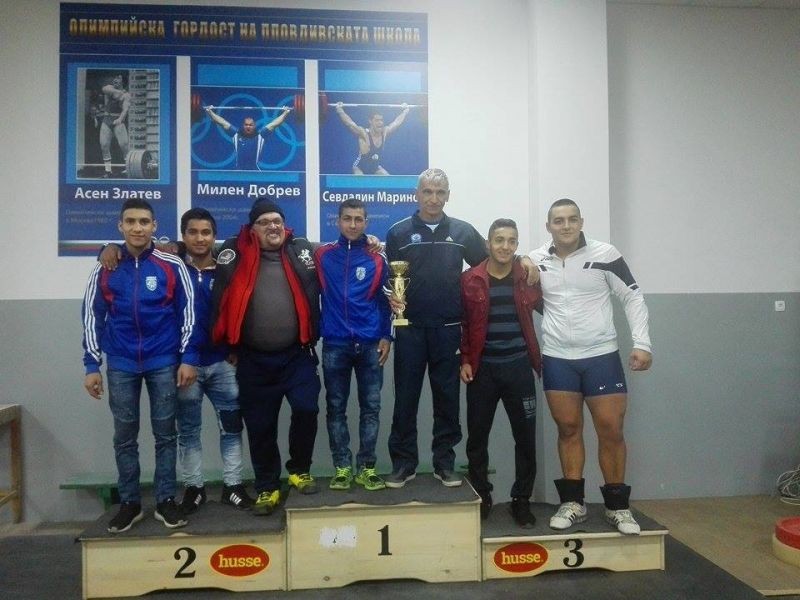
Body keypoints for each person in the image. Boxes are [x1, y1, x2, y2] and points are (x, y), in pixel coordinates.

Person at [530, 198, 652, 535]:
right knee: (568, 429)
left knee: (611, 429)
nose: (566, 226)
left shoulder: (605, 254)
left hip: (601, 356)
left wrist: (642, 343)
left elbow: (632, 296)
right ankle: (573, 504)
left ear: (581, 222)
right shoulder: (536, 260)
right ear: (548, 226)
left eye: (572, 219)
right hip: (557, 358)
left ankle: (618, 507)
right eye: (558, 220)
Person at [82, 198, 199, 533]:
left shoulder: (171, 265)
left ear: (154, 226)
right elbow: (92, 316)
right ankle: (130, 503)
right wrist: (91, 365)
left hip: (163, 361)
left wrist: (188, 358)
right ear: (120, 226)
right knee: (124, 437)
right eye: (131, 221)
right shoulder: (106, 267)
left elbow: (188, 314)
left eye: (144, 222)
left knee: (165, 435)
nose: (137, 228)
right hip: (120, 364)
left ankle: (165, 501)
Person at [211, 198, 321, 516]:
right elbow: (194, 246)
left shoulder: (302, 249)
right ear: (252, 229)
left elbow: (338, 249)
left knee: (307, 409)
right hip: (253, 360)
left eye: (277, 221)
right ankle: (267, 486)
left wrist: (371, 242)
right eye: (264, 222)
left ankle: (299, 469)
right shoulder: (233, 251)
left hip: (298, 356)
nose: (273, 227)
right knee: (260, 426)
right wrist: (114, 248)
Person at [384, 168, 488, 488]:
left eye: (439, 192)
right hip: (410, 329)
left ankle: (445, 463)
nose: (433, 198)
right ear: (416, 194)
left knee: (447, 400)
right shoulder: (398, 233)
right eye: (427, 192)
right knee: (405, 400)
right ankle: (404, 464)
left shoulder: (463, 232)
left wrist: (522, 261)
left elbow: (489, 265)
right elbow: (388, 280)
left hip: (448, 330)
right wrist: (390, 297)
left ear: (448, 196)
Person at [460, 219, 542, 527]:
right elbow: (464, 325)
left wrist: (529, 261)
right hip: (483, 371)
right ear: (488, 244)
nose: (505, 246)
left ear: (517, 246)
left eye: (511, 241)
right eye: (499, 240)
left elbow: (554, 308)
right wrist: (465, 360)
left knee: (526, 439)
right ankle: (482, 495)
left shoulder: (527, 277)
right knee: (477, 439)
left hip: (519, 368)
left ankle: (521, 500)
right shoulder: (470, 279)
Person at [314, 198, 393, 492]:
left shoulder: (377, 258)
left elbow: (388, 301)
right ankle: (343, 468)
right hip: (335, 344)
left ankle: (367, 468)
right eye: (347, 218)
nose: (353, 224)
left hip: (371, 344)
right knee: (336, 408)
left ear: (366, 223)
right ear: (337, 221)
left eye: (359, 219)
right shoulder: (322, 255)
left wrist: (387, 336)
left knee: (371, 408)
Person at [205, 106, 291, 170]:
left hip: (255, 171)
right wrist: (210, 112)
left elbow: (275, 124)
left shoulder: (261, 135)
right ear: (243, 125)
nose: (248, 126)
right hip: (238, 171)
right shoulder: (236, 134)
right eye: (246, 124)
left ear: (254, 126)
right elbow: (222, 122)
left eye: (250, 125)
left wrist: (285, 113)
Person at [334, 102, 409, 175]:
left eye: (381, 120)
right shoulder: (364, 133)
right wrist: (340, 110)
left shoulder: (384, 132)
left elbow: (396, 123)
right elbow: (349, 123)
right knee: (360, 179)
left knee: (388, 179)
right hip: (360, 167)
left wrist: (405, 111)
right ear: (370, 121)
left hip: (375, 168)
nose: (380, 123)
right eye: (377, 120)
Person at [99, 74, 130, 178]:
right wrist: (119, 93)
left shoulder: (127, 95)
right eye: (115, 78)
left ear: (123, 82)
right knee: (104, 145)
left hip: (117, 119)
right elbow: (104, 89)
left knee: (124, 145)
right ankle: (108, 171)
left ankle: (128, 168)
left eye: (118, 78)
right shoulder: (110, 88)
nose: (115, 80)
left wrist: (120, 119)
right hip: (107, 119)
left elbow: (125, 110)